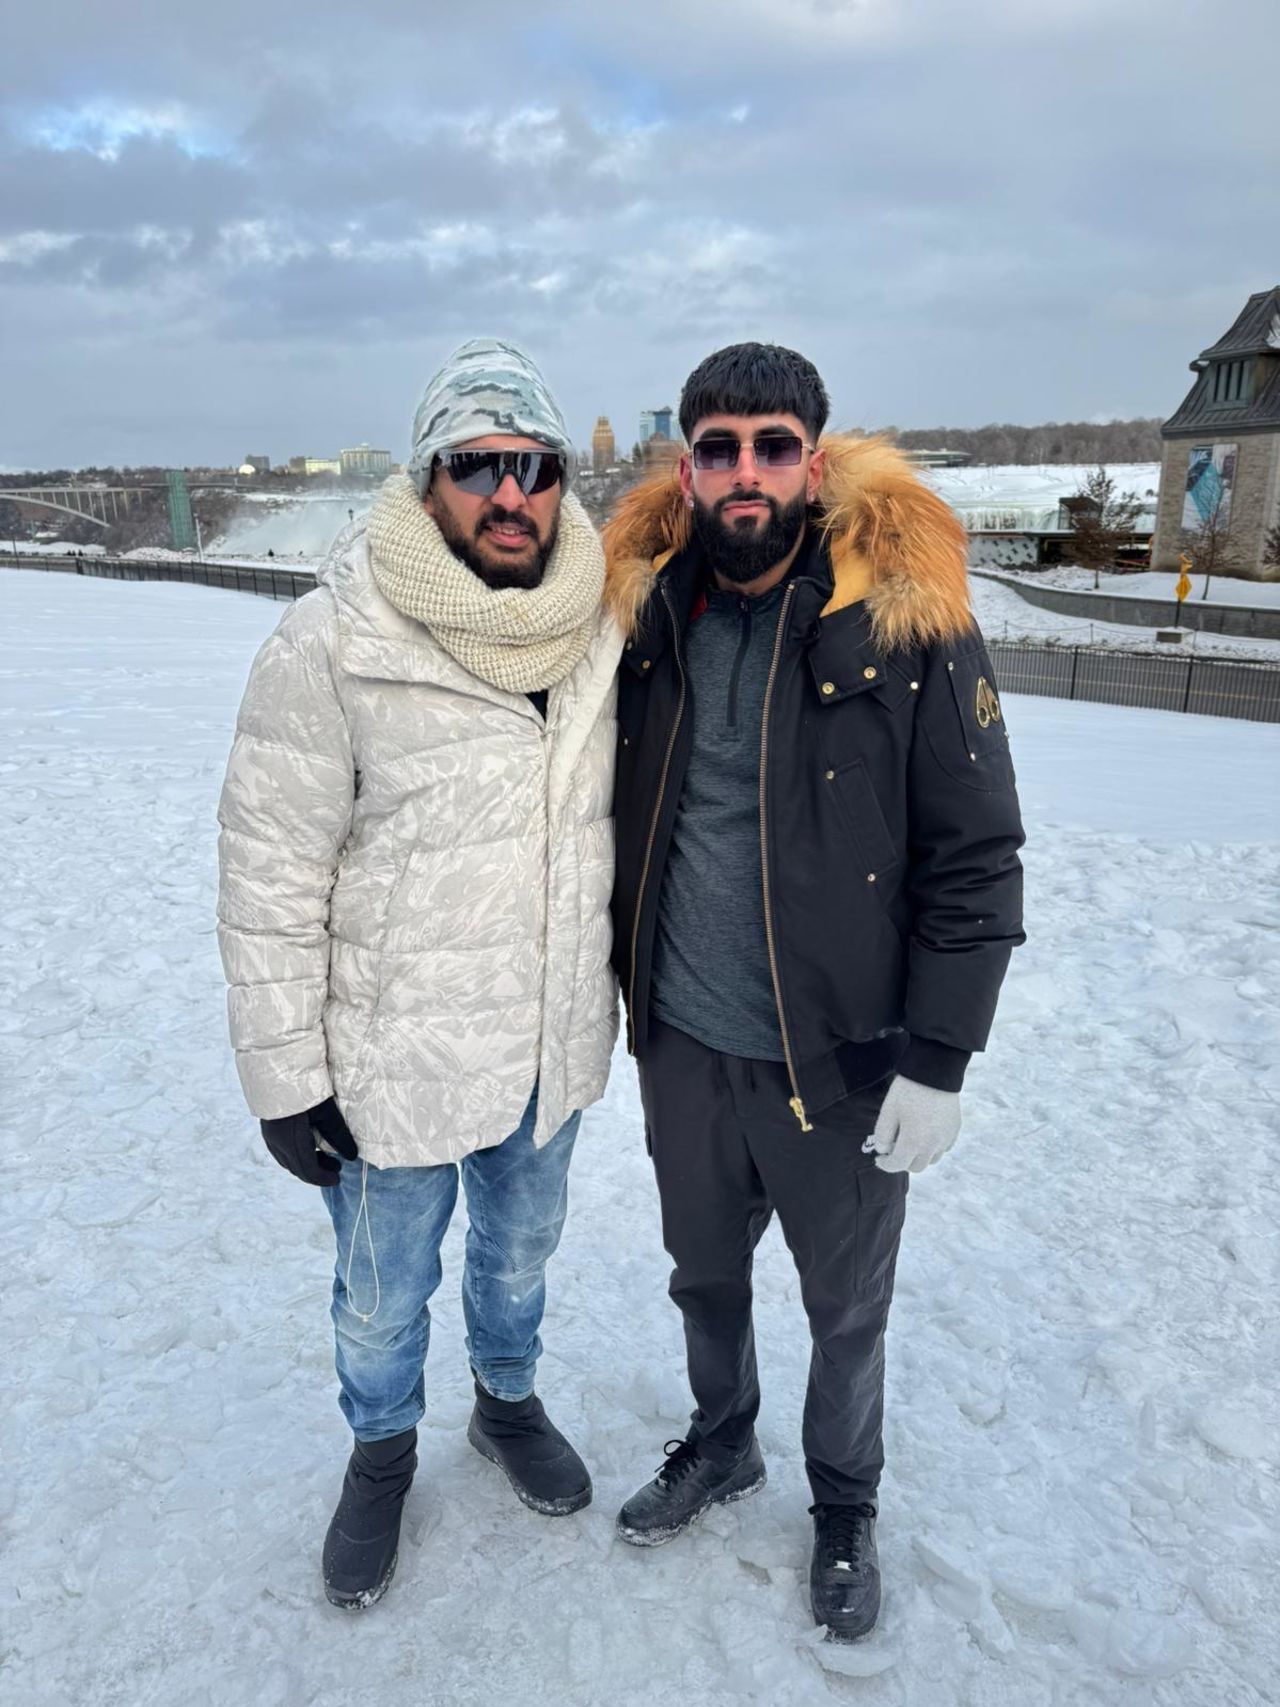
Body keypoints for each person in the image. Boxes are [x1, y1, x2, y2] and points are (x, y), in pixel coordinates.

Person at [602, 343, 1025, 1641]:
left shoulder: (907, 620)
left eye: (771, 443)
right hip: (682, 1036)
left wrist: (941, 1056)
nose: (745, 471)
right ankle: (722, 1438)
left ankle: (846, 1501)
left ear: (814, 459)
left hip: (837, 1056)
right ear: (687, 465)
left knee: (846, 1308)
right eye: (718, 445)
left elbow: (977, 854)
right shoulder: (650, 611)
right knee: (702, 1275)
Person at [217, 339, 627, 1611]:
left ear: (560, 480)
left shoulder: (605, 622)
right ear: (428, 479)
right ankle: (381, 1449)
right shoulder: (332, 639)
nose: (509, 494)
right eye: (475, 466)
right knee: (383, 1292)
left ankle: (505, 1401)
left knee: (519, 1259)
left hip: (544, 1047)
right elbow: (270, 873)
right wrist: (285, 1080)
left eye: (533, 466)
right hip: (390, 1060)